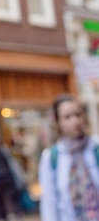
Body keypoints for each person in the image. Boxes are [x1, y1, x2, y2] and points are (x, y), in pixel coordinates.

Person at [38, 93, 99, 221]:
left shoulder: (95, 148)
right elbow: (49, 203)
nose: (75, 121)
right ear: (58, 122)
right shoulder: (51, 157)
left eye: (78, 114)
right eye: (67, 117)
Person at [0, 134, 24, 219]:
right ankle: (16, 211)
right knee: (10, 196)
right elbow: (8, 164)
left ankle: (5, 214)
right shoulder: (1, 150)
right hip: (7, 178)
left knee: (0, 198)